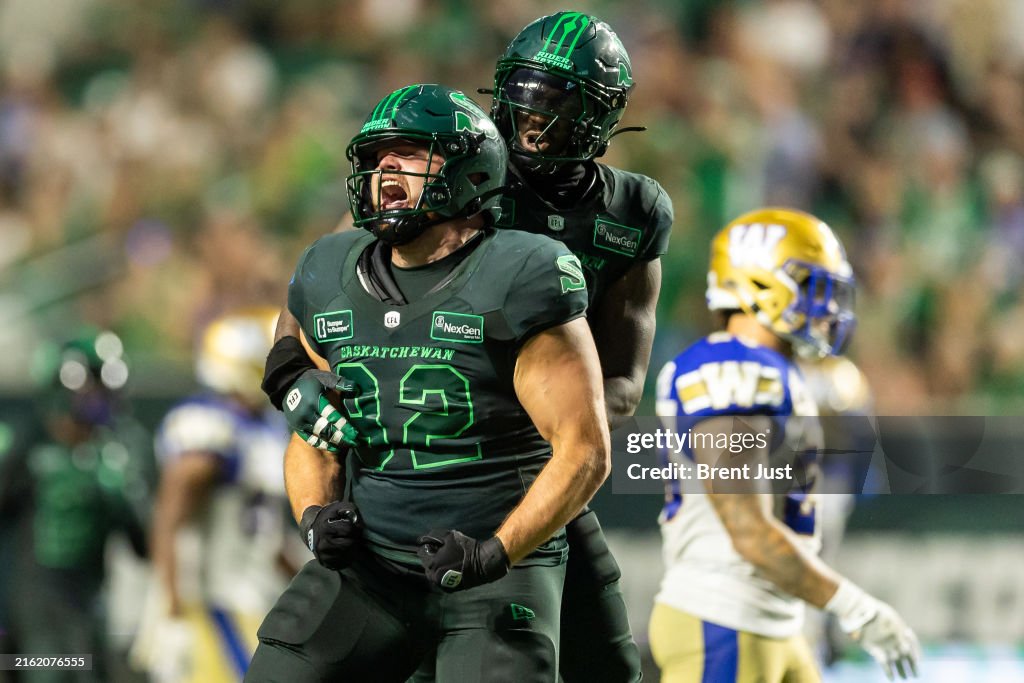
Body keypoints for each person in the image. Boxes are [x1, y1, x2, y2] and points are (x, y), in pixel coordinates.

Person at [258, 13, 671, 681]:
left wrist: (535, 405)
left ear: (603, 115)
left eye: (559, 103)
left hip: (519, 457)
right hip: (403, 464)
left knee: (603, 665)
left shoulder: (631, 213)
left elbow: (620, 385)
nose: (535, 120)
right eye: (524, 97)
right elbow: (332, 288)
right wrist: (288, 376)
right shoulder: (453, 168)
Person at [650, 208, 920, 682]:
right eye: (813, 287)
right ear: (759, 283)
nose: (828, 308)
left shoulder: (775, 371)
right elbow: (749, 530)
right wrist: (855, 607)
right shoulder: (731, 369)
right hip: (723, 617)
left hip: (773, 620)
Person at [132, 307, 301, 683]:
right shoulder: (209, 427)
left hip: (251, 597)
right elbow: (168, 516)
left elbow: (266, 534)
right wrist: (171, 609)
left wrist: (305, 584)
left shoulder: (261, 427)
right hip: (210, 604)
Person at [2, 329, 151, 683]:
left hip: (89, 604)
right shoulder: (26, 446)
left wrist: (123, 495)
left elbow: (142, 544)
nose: (100, 399)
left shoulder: (116, 453)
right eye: (92, 389)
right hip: (34, 603)